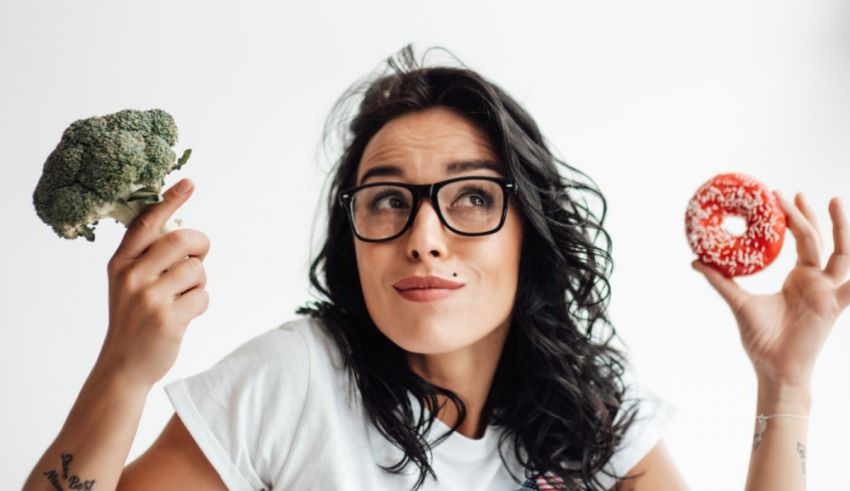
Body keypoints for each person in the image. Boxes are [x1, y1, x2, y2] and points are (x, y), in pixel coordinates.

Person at [23, 45, 850, 491]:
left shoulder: (594, 413)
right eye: (388, 200)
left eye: (472, 197)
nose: (423, 237)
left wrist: (786, 382)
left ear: (528, 232)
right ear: (353, 237)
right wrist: (124, 370)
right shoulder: (294, 382)